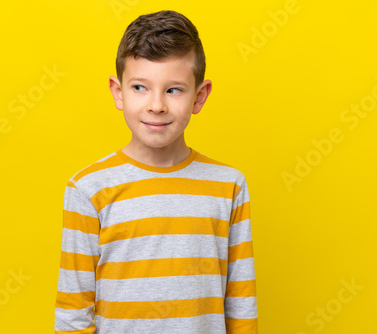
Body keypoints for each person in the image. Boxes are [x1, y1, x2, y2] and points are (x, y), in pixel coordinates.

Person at [54, 9, 258, 334]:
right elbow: (73, 312)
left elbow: (241, 303)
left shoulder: (228, 185)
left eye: (173, 90)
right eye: (140, 88)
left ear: (199, 96)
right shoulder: (87, 189)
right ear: (118, 92)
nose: (156, 105)